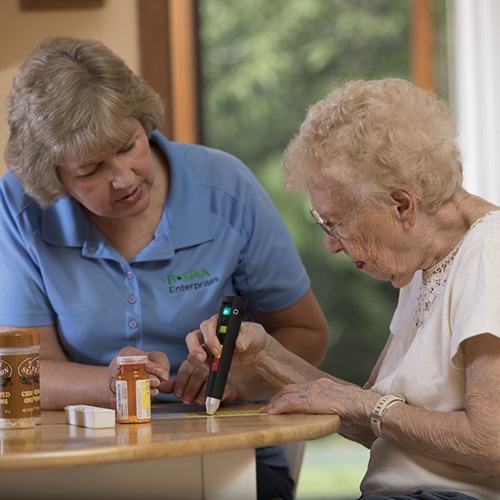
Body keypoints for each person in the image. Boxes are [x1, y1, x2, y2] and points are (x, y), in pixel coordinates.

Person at [0, 36, 328, 500]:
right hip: (76, 454)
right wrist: (110, 383)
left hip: (228, 454)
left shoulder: (225, 187)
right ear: (51, 178)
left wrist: (232, 378)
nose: (125, 178)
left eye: (129, 145)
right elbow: (23, 368)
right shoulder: (18, 207)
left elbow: (305, 333)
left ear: (144, 122)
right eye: (91, 170)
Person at [186, 78, 500, 500]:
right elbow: (372, 423)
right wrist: (263, 354)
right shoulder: (424, 262)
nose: (331, 245)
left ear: (402, 205)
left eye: (336, 223)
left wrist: (364, 407)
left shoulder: (489, 255)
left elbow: (490, 443)